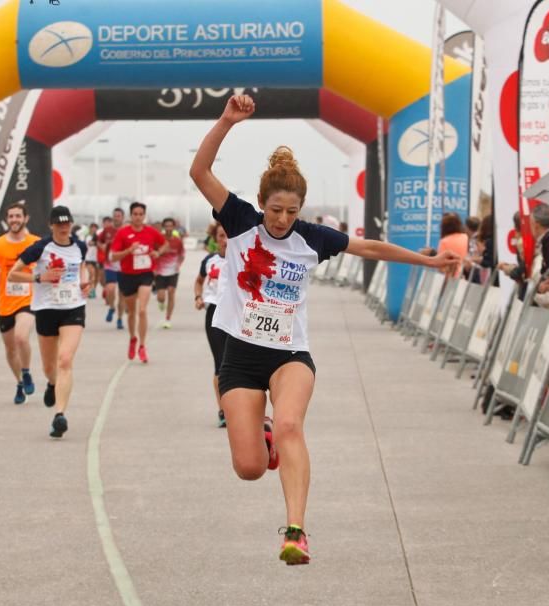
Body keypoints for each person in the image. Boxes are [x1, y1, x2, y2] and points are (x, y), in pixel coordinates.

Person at [189, 95, 458, 565]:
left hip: (290, 355)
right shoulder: (239, 222)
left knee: (292, 423)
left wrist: (429, 260)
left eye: (291, 211)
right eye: (275, 210)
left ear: (301, 210)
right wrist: (228, 121)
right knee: (250, 468)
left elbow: (370, 248)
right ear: (261, 204)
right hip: (240, 354)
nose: (281, 219)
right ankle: (264, 437)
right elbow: (199, 172)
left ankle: (296, 532)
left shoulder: (311, 238)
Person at [9, 205, 92, 438]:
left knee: (65, 360)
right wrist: (39, 277)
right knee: (49, 366)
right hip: (46, 308)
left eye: (67, 223)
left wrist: (86, 282)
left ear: (72, 224)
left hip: (73, 307)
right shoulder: (41, 247)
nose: (64, 227)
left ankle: (59, 415)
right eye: (59, 224)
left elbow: (82, 270)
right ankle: (52, 384)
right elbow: (14, 274)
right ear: (51, 225)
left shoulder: (80, 246)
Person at [0, 202, 41, 404]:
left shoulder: (36, 243)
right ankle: (19, 382)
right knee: (10, 349)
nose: (14, 220)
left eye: (18, 216)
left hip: (28, 300)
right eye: (11, 216)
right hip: (5, 303)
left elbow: (47, 264)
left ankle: (26, 372)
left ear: (26, 218)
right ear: (7, 219)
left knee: (21, 338)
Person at [110, 202, 168, 363]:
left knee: (142, 310)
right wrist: (129, 250)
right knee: (132, 312)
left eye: (140, 214)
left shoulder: (150, 231)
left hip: (146, 274)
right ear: (130, 216)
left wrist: (158, 252)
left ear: (144, 216)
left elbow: (165, 244)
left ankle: (142, 346)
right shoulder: (123, 233)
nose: (138, 217)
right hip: (127, 275)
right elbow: (113, 256)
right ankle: (132, 338)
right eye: (135, 214)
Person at [195, 223, 229, 427]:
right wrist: (198, 297)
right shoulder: (209, 261)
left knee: (237, 365)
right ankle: (223, 410)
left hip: (237, 315)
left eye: (229, 236)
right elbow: (198, 281)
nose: (226, 240)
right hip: (214, 313)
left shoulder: (243, 260)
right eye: (222, 236)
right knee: (221, 364)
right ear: (215, 239)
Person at [155, 216, 186, 329]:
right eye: (166, 226)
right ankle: (161, 302)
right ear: (163, 227)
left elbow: (182, 255)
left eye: (170, 226)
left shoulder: (177, 241)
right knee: (161, 297)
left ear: (174, 227)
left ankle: (168, 319)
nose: (168, 228)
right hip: (160, 272)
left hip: (173, 271)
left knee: (171, 292)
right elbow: (154, 253)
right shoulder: (159, 239)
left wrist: (178, 265)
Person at [98, 210, 125, 329]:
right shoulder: (107, 230)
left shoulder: (126, 230)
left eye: (118, 216)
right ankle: (111, 307)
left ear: (123, 217)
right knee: (110, 289)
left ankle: (119, 319)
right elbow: (99, 241)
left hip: (124, 266)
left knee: (122, 294)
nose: (116, 218)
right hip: (110, 265)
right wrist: (102, 246)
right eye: (114, 216)